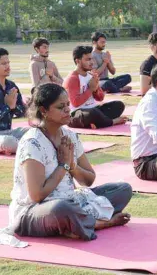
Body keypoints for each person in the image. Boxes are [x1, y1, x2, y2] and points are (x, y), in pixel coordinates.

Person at [7, 83, 132, 241]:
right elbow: (37, 195)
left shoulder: (69, 136)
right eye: (61, 107)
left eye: (67, 104)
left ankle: (74, 223)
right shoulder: (32, 143)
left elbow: (89, 180)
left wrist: (72, 166)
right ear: (44, 111)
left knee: (123, 190)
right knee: (61, 208)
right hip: (34, 211)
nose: (67, 109)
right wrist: (63, 165)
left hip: (70, 199)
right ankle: (100, 223)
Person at [64, 46, 128, 129]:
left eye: (91, 59)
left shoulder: (91, 75)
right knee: (93, 113)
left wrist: (96, 88)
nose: (91, 62)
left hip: (94, 109)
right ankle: (111, 122)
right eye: (88, 60)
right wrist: (90, 89)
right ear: (78, 61)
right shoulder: (72, 78)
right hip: (77, 114)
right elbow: (75, 103)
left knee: (118, 105)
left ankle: (97, 123)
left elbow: (100, 98)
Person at [0, 47, 28, 154]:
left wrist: (14, 106)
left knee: (34, 133)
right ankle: (28, 149)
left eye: (8, 63)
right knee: (9, 142)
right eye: (3, 63)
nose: (8, 66)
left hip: (8, 132)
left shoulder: (11, 86)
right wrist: (7, 106)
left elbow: (21, 113)